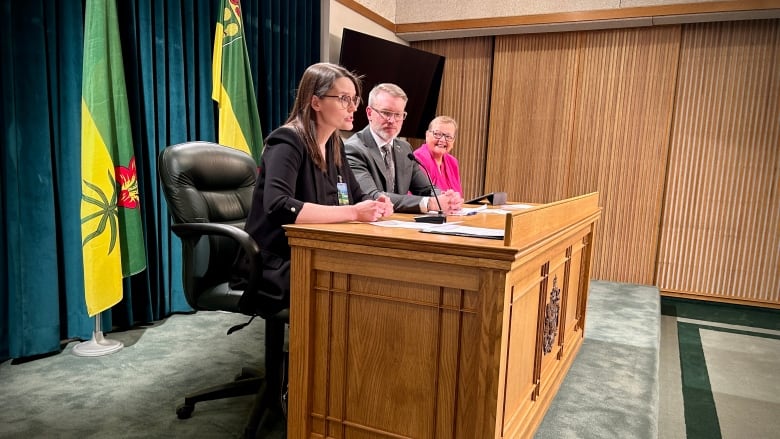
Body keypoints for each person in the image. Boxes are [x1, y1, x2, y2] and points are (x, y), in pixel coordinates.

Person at [243, 62, 394, 311]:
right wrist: (355, 213)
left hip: (317, 251)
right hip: (277, 261)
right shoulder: (287, 141)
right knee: (360, 280)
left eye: (354, 99)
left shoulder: (336, 145)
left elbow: (356, 195)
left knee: (375, 270)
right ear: (316, 102)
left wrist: (375, 203)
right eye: (344, 98)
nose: (353, 107)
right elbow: (279, 205)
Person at [344, 83, 463, 214]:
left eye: (398, 115)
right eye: (386, 113)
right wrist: (429, 203)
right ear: (369, 113)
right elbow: (374, 196)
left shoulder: (405, 149)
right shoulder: (353, 149)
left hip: (400, 224)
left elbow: (425, 189)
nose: (392, 120)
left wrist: (446, 197)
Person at [412, 116, 462, 197]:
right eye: (437, 134)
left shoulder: (453, 162)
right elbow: (423, 195)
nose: (442, 140)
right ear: (427, 135)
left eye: (448, 137)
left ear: (453, 140)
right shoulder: (418, 158)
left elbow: (458, 195)